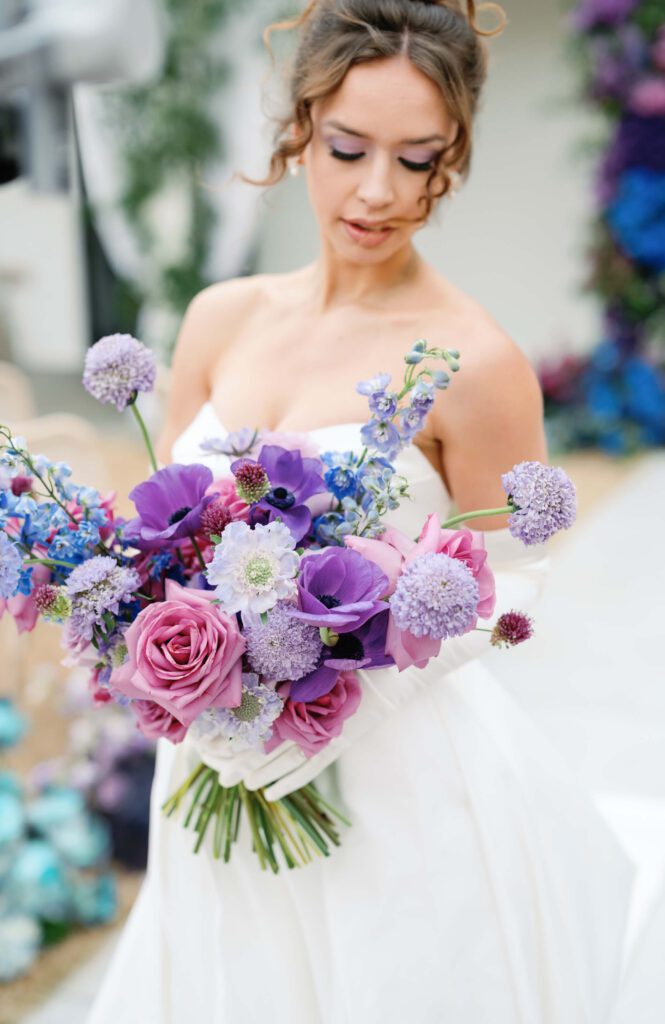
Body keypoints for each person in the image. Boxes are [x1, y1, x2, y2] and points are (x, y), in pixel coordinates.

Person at [87, 1, 634, 1020]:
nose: (378, 192)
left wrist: (346, 711)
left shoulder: (476, 362)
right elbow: (157, 526)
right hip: (209, 759)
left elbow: (515, 579)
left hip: (389, 786)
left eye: (418, 160)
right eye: (347, 148)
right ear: (298, 129)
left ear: (453, 160)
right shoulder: (220, 318)